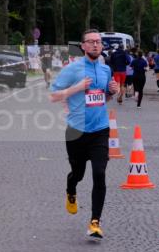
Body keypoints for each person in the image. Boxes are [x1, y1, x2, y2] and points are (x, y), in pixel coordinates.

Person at [50, 28, 119, 239]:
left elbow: (102, 99)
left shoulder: (105, 69)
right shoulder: (73, 69)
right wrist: (76, 88)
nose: (96, 45)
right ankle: (71, 189)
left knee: (99, 173)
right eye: (91, 42)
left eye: (98, 42)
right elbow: (53, 95)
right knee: (78, 173)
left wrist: (112, 92)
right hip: (76, 130)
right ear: (83, 46)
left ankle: (95, 222)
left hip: (100, 130)